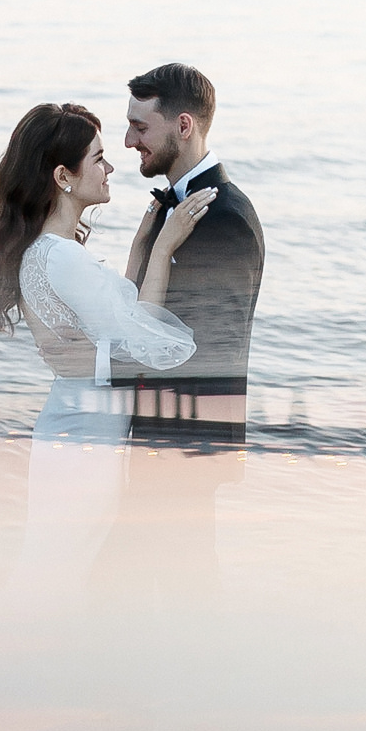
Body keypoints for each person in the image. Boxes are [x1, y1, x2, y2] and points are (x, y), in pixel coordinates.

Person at [0, 102, 213, 579]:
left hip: (73, 427)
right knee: (64, 567)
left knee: (55, 563)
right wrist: (165, 246)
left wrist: (141, 245)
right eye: (99, 158)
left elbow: (112, 319)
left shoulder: (46, 251)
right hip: (84, 441)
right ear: (63, 177)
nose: (110, 168)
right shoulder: (63, 258)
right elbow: (142, 341)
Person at [119, 64, 265, 447]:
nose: (129, 141)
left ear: (184, 126)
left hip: (192, 443)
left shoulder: (225, 220)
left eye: (140, 127)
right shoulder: (168, 210)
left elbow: (213, 355)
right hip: (155, 435)